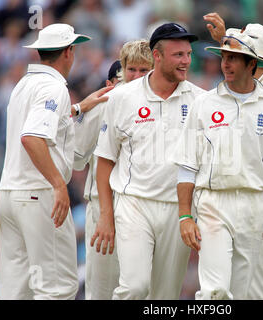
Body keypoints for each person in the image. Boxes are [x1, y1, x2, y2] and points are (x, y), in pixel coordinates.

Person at [173, 28, 263, 300]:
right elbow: (186, 164)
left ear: (252, 64)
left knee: (239, 293)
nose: (226, 64)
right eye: (224, 57)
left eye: (234, 58)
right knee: (214, 291)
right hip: (213, 202)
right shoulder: (204, 104)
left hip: (255, 205)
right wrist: (185, 215)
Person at [0, 23, 111, 300]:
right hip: (39, 195)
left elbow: (38, 123)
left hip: (9, 196)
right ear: (69, 52)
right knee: (57, 288)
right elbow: (32, 138)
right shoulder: (54, 87)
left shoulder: (23, 84)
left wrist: (78, 107)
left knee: (16, 290)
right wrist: (59, 185)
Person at [92, 23, 205, 300]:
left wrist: (190, 215)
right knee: (134, 287)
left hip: (176, 209)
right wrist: (106, 216)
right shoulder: (122, 97)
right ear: (157, 55)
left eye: (188, 54)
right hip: (133, 205)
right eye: (178, 55)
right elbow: (105, 161)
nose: (186, 61)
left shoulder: (201, 100)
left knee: (164, 297)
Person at [73, 39, 153, 300]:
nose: (137, 78)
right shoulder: (106, 104)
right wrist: (80, 113)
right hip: (103, 204)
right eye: (131, 72)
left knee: (142, 288)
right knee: (103, 288)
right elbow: (76, 157)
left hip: (144, 205)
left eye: (144, 71)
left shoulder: (159, 105)